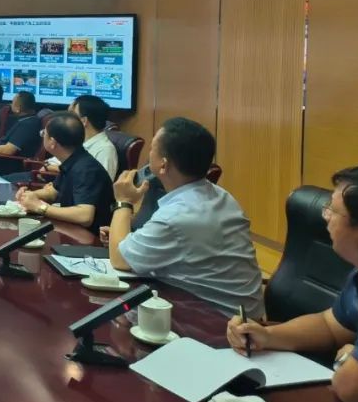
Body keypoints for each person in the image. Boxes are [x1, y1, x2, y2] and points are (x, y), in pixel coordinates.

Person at [228, 166, 358, 402]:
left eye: (333, 211)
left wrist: (347, 357)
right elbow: (330, 325)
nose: (325, 216)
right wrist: (267, 336)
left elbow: (352, 388)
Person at [108, 118, 263, 316]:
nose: (148, 155)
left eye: (152, 148)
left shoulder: (177, 217)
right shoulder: (221, 195)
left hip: (215, 321)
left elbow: (120, 260)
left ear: (163, 165)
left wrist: (123, 201)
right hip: (237, 315)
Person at [16, 111, 114, 235]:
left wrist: (39, 207)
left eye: (44, 134)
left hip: (90, 239)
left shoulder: (86, 169)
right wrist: (30, 196)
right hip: (70, 231)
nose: (42, 136)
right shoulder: (73, 160)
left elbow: (85, 216)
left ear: (52, 142)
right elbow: (54, 192)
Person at [0, 91, 43, 175]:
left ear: (18, 108)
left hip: (6, 164)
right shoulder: (24, 120)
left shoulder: (28, 124)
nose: (10, 105)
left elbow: (8, 150)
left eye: (12, 103)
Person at [69, 95, 119, 180]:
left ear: (84, 121)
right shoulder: (78, 142)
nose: (66, 120)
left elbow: (100, 184)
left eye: (70, 115)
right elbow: (55, 162)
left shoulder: (105, 150)